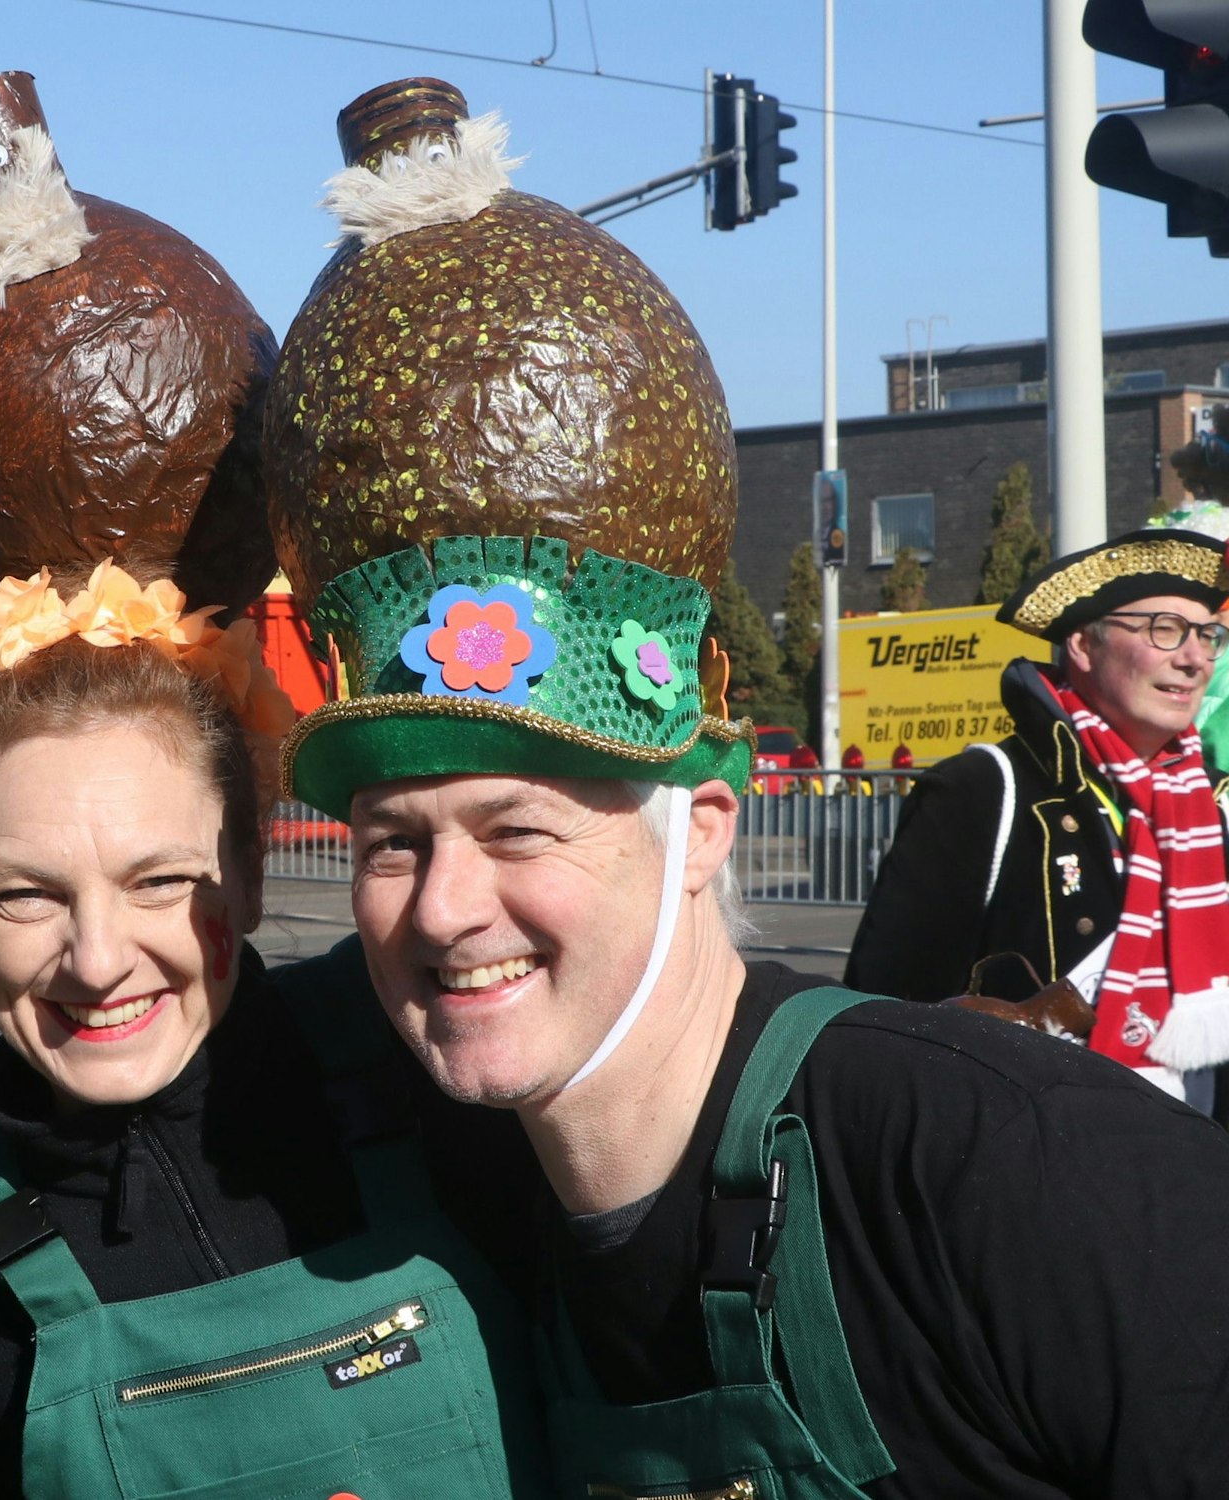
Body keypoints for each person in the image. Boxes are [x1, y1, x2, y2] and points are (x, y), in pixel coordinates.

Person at [267, 78, 1229, 1498]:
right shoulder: (440, 1202)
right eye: (394, 842)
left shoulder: (995, 1163)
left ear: (703, 826)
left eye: (518, 826)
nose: (445, 907)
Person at [0, 566, 548, 1498]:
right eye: (24, 895)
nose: (96, 961)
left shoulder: (449, 1086)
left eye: (159, 881)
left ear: (248, 877)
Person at [847, 528, 1229, 1103]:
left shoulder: (1212, 807)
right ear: (1082, 643)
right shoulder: (984, 789)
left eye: (1208, 635)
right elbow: (882, 1015)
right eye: (1165, 629)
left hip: (1193, 1164)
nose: (1195, 658)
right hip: (1030, 1161)